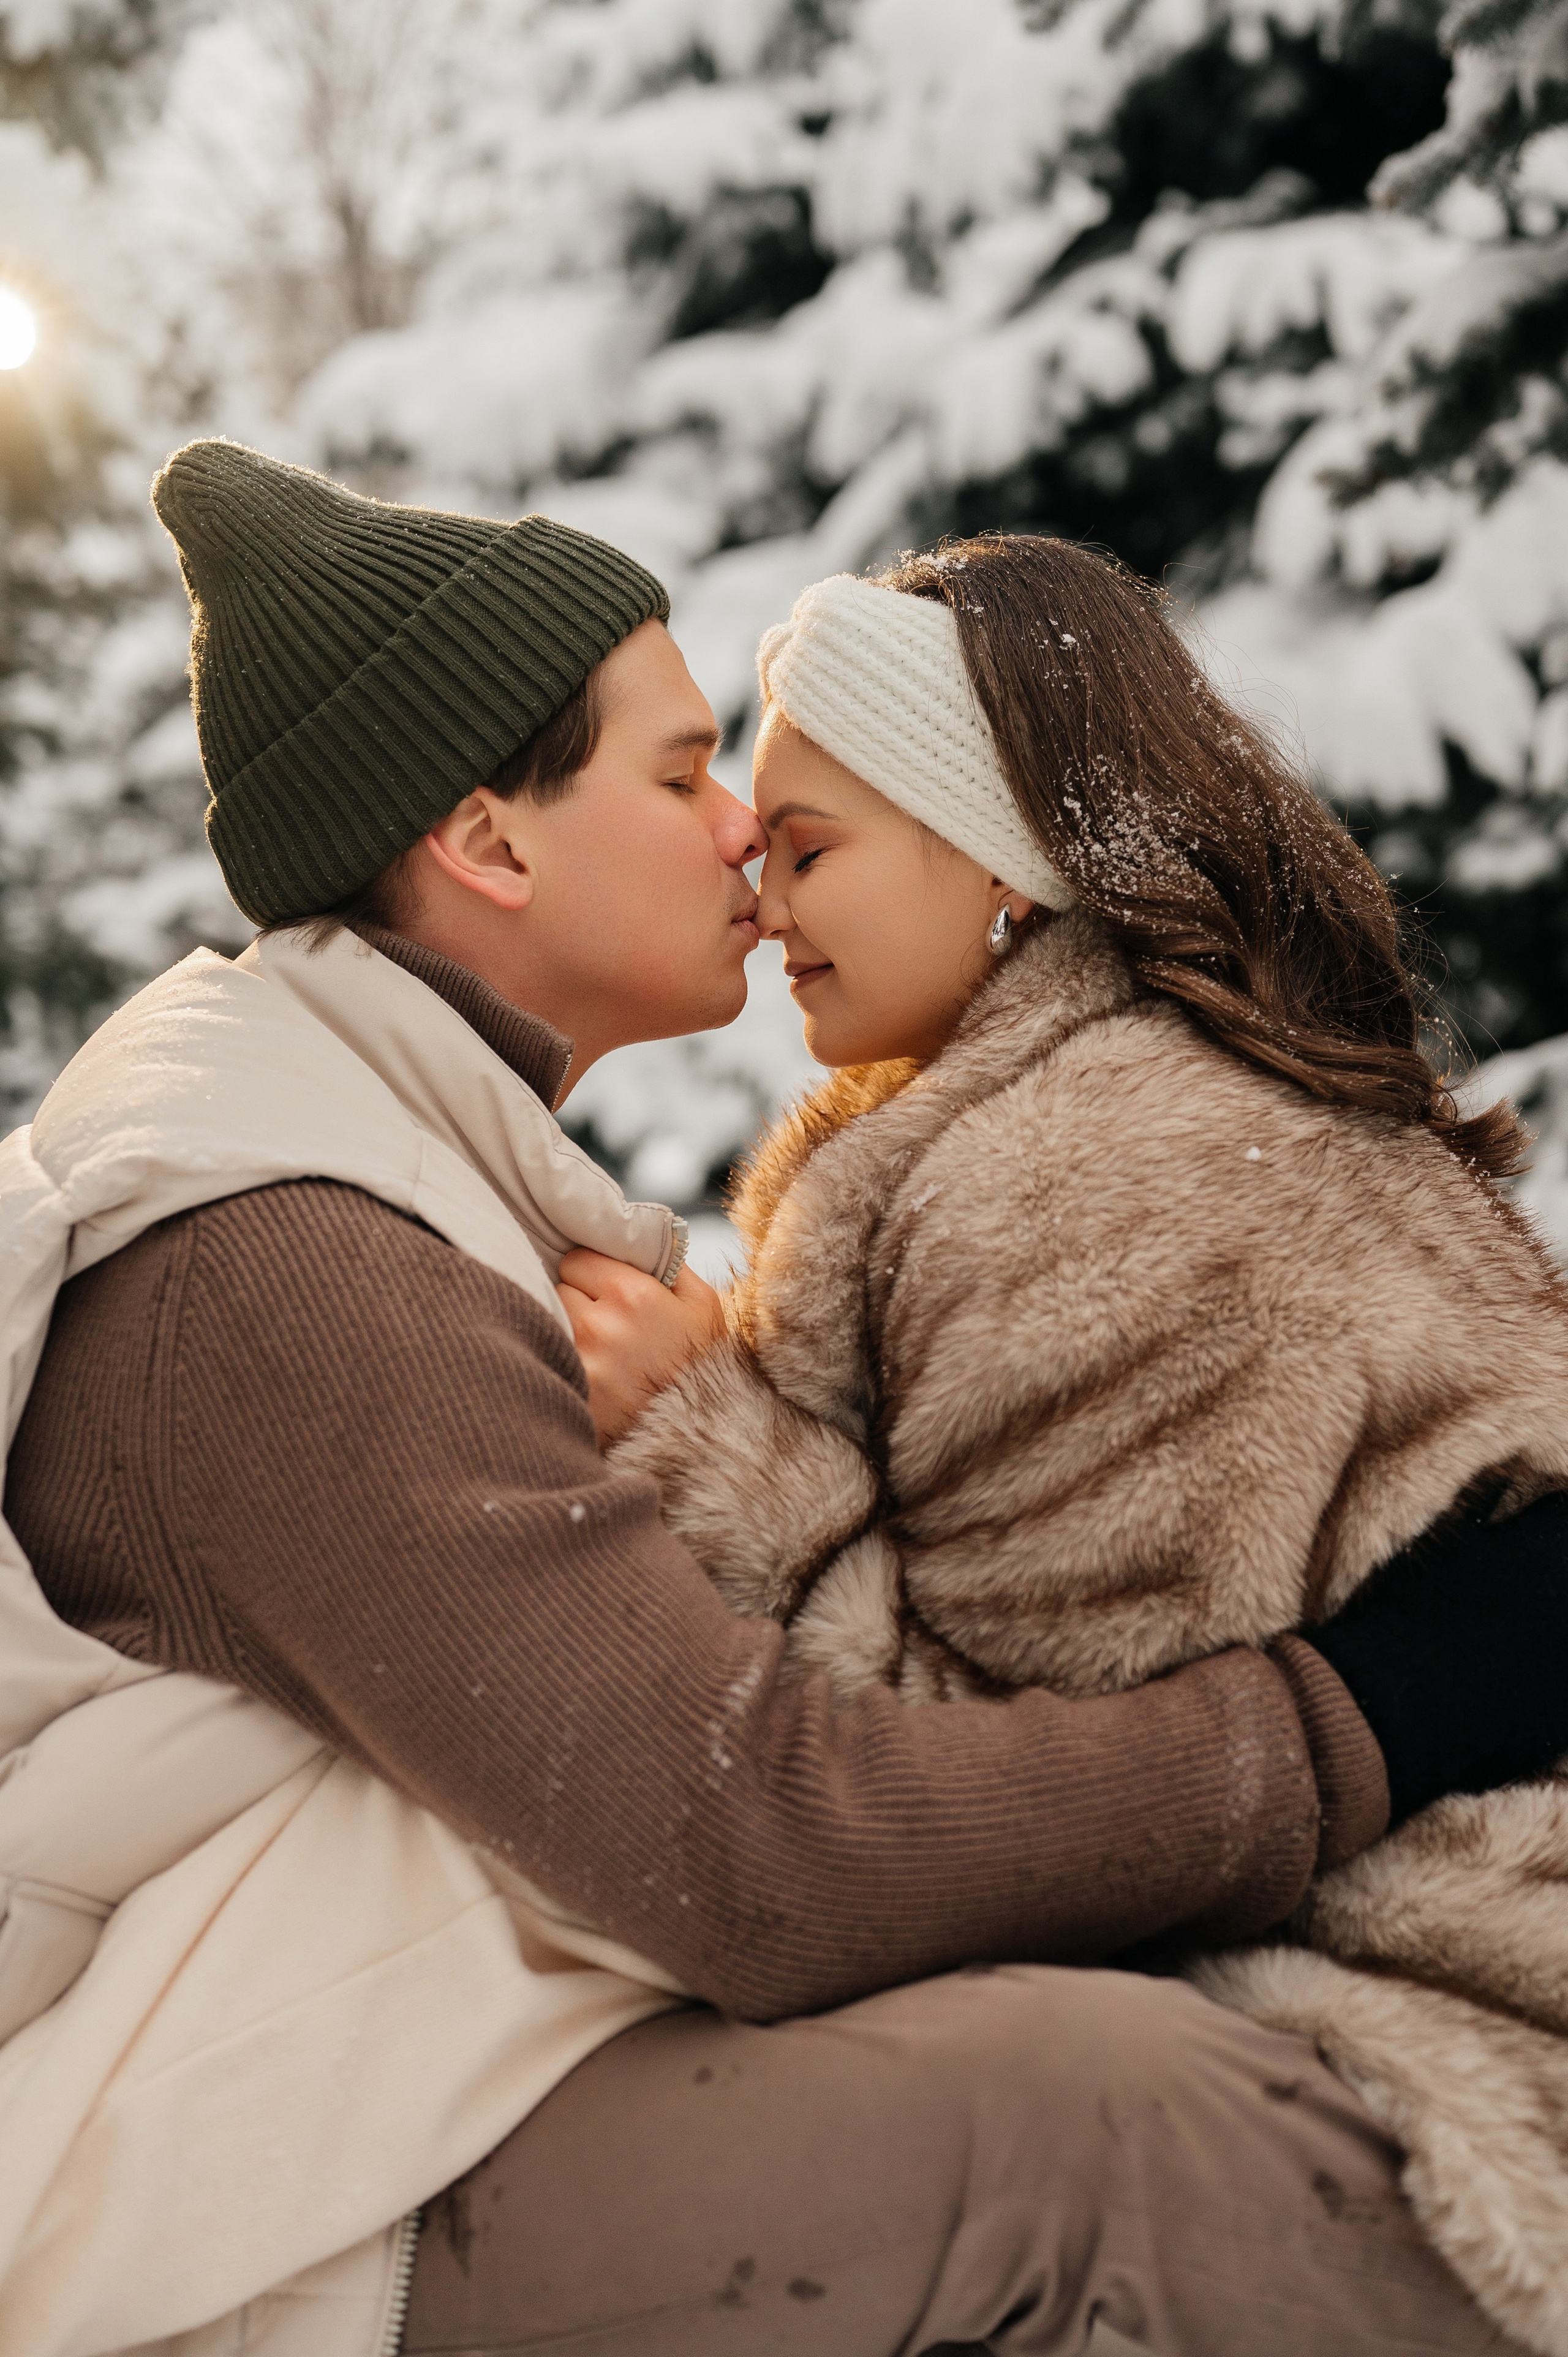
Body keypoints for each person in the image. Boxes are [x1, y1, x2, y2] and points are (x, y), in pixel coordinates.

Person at [0, 444, 1563, 2357]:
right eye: (680, 775)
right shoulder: (294, 1265)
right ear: (490, 845)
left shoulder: (384, 1169)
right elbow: (762, 1854)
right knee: (1110, 2127)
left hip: (414, 2067)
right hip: (269, 2203)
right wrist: (1381, 1709)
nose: (745, 830)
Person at [584, 538, 1568, 2353]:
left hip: (1441, 2013)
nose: (761, 894)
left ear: (1007, 865)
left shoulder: (1097, 1184)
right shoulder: (1093, 1118)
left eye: (813, 849)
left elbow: (1025, 1803)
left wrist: (710, 1449)